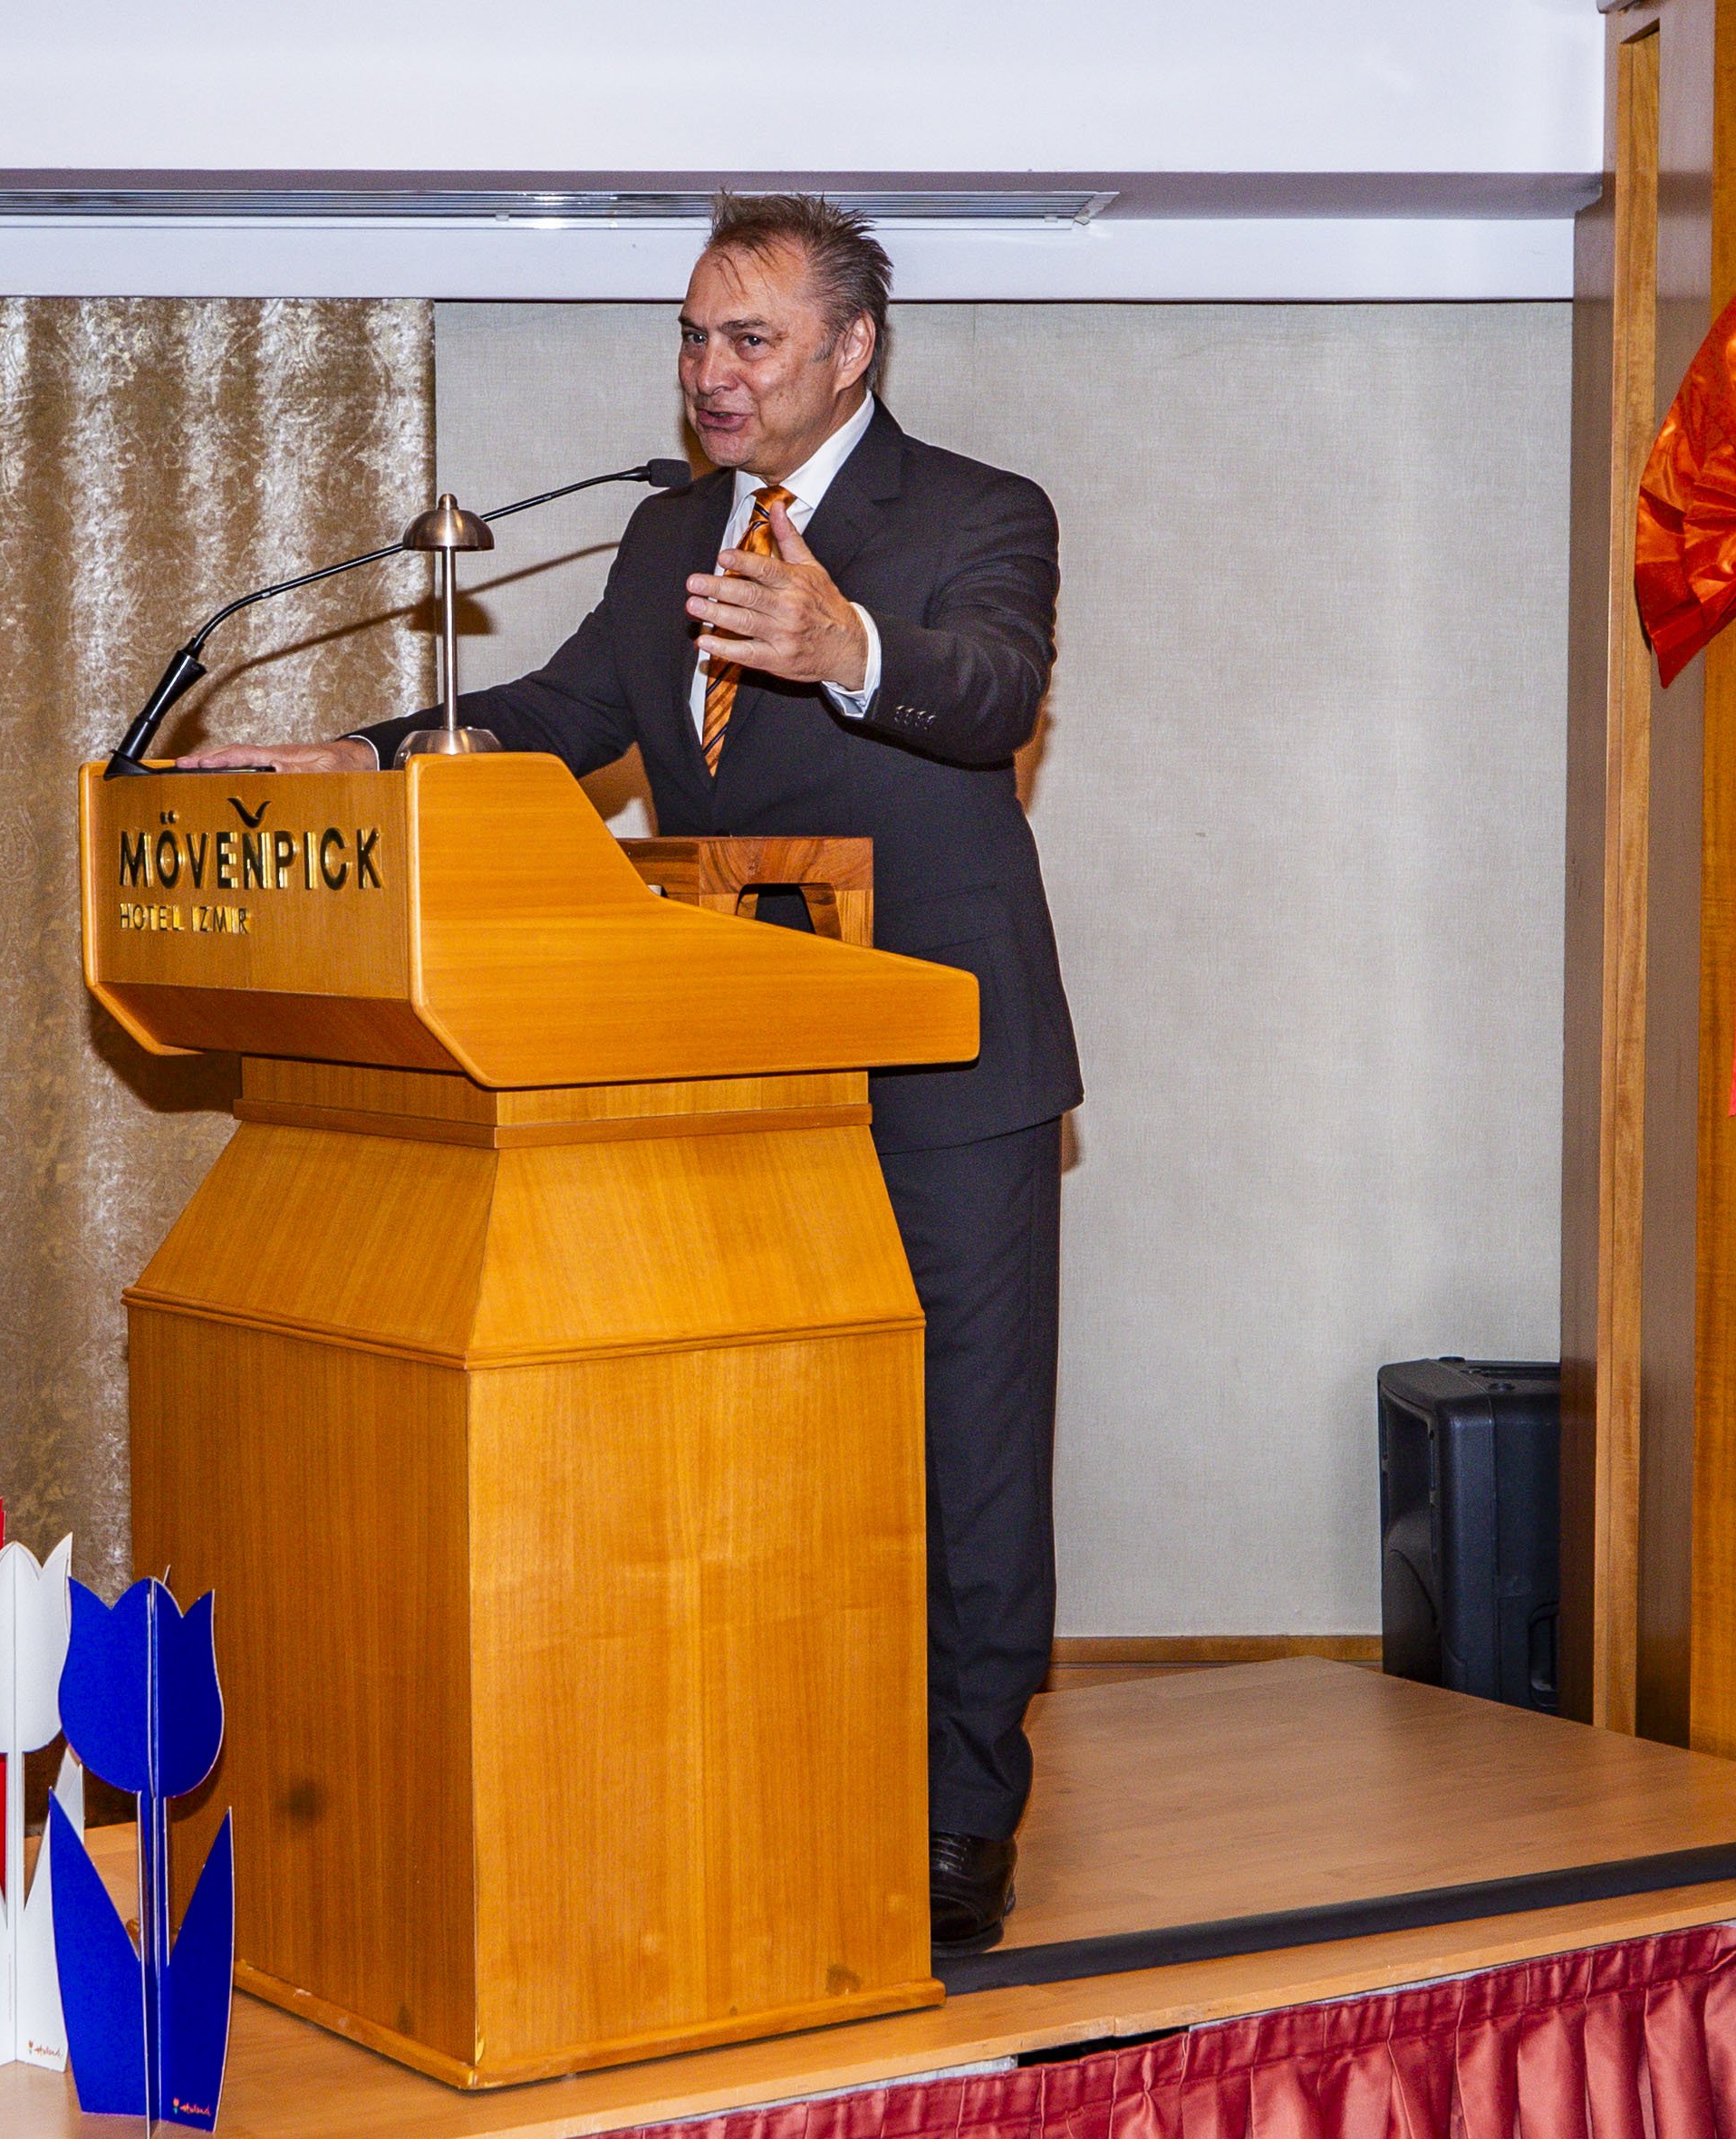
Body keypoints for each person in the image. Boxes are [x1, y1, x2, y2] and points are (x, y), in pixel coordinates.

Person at [179, 194, 1080, 1951]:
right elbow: (560, 718)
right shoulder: (671, 526)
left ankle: (962, 1809)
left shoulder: (980, 510)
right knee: (763, 1442)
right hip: (725, 1066)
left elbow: (992, 692)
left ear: (850, 349)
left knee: (961, 1451)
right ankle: (792, 1760)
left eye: (749, 339)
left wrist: (846, 647)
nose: (708, 371)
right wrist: (367, 755)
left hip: (946, 1065)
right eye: (691, 336)